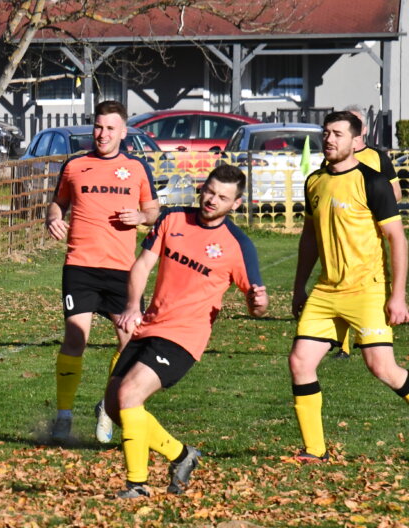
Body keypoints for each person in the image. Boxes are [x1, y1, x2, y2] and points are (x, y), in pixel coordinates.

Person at [105, 164, 268, 498]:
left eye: (222, 197)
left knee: (130, 395)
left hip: (184, 336)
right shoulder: (173, 218)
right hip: (151, 324)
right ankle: (182, 455)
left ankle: (137, 485)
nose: (212, 200)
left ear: (236, 204)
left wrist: (258, 303)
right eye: (209, 191)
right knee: (113, 406)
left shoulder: (238, 245)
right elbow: (142, 265)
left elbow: (257, 305)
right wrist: (133, 306)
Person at [289, 110, 409, 463]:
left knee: (382, 368)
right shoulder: (314, 181)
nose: (329, 139)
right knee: (300, 362)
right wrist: (299, 287)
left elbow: (397, 239)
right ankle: (314, 450)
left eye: (338, 134)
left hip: (367, 290)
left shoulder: (373, 183)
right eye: (326, 132)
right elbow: (309, 238)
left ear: (356, 141)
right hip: (326, 292)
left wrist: (398, 296)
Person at [43, 100, 160, 445]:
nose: (102, 134)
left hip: (122, 271)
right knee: (75, 338)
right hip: (80, 265)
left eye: (110, 128)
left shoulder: (136, 168)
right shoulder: (75, 165)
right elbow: (58, 202)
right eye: (98, 127)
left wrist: (141, 217)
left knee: (130, 345)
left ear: (123, 132)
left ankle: (107, 408)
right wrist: (53, 218)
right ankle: (64, 415)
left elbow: (153, 210)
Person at [329, 106, 400, 360]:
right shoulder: (332, 159)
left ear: (363, 129)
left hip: (370, 229)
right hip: (340, 235)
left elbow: (395, 193)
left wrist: (374, 207)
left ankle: (367, 336)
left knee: (364, 278)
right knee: (338, 279)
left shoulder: (378, 158)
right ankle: (343, 347)